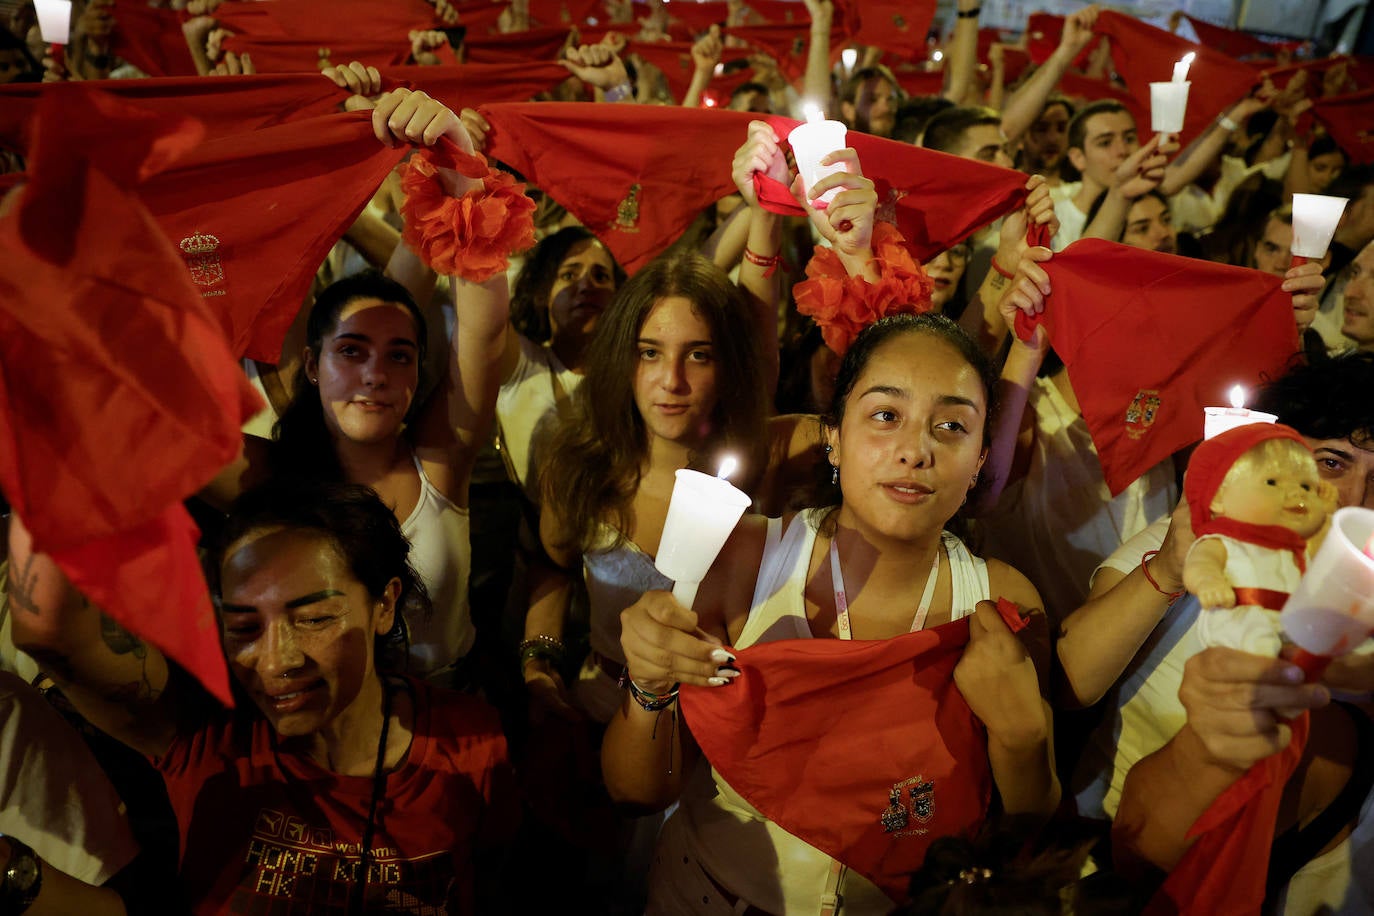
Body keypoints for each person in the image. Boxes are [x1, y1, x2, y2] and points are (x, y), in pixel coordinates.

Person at [603, 311, 1058, 914]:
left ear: (979, 461)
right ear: (835, 437)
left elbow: (1025, 834)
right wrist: (650, 683)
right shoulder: (744, 562)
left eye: (951, 425)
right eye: (885, 416)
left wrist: (1024, 736)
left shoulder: (1003, 606)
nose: (915, 450)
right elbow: (636, 791)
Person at [8, 481, 518, 915]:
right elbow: (50, 629)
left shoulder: (470, 744)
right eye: (244, 626)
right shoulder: (207, 733)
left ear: (384, 605)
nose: (275, 662)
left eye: (314, 618)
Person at [203, 85, 511, 682]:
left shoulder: (442, 459)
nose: (375, 373)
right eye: (352, 351)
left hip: (449, 731)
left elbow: (486, 330)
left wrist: (464, 169)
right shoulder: (271, 476)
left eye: (400, 356)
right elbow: (142, 433)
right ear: (314, 366)